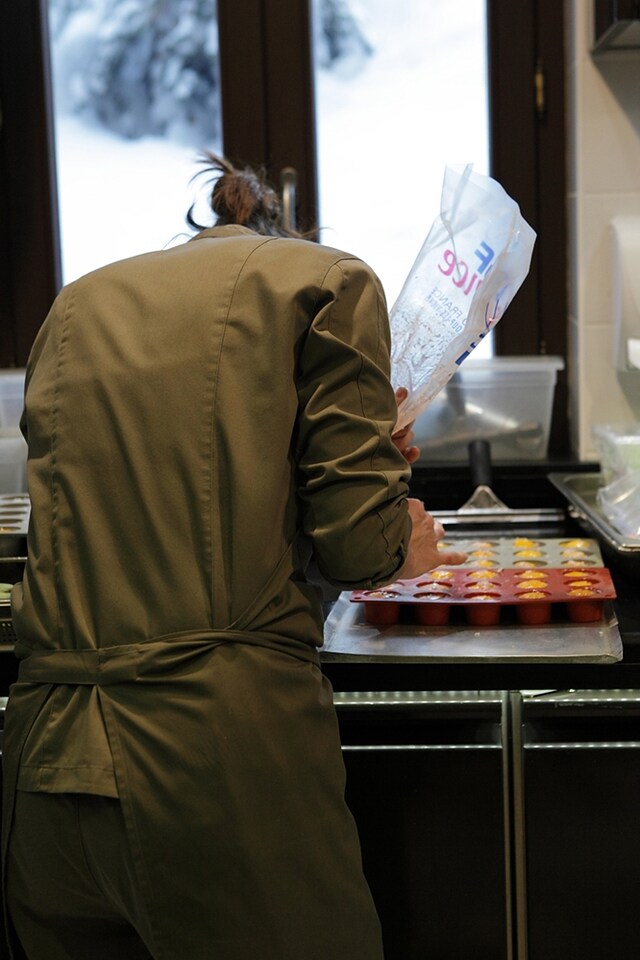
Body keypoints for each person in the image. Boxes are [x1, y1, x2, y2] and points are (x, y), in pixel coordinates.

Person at [2, 153, 466, 960]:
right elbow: (360, 545)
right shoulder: (326, 282)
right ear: (285, 234)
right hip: (214, 774)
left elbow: (172, 515)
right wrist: (403, 535)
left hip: (43, 771)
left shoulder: (77, 305)